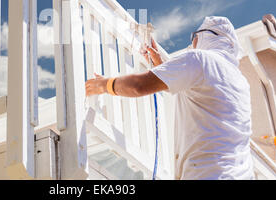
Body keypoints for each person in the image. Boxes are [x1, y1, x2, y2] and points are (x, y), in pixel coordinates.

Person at [85, 16, 254, 180]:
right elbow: (196, 93)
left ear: (203, 36)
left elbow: (138, 86)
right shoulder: (241, 82)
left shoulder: (201, 59)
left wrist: (104, 84)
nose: (192, 43)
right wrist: (162, 65)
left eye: (194, 37)